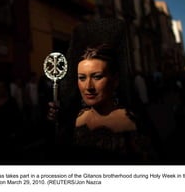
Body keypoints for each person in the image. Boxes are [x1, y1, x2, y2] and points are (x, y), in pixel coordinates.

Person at [46, 18, 158, 164]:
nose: (89, 87)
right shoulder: (74, 118)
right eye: (82, 78)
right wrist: (59, 124)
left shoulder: (131, 124)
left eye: (97, 77)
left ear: (115, 80)